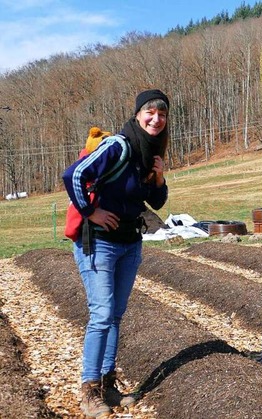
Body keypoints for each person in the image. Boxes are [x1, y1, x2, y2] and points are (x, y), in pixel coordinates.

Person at [62, 89, 170, 417]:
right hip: (99, 242)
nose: (156, 119)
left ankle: (108, 383)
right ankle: (89, 388)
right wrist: (90, 211)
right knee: (102, 313)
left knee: (116, 314)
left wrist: (160, 175)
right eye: (150, 112)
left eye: (162, 114)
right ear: (138, 114)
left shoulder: (149, 152)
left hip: (129, 243)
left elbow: (157, 202)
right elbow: (74, 174)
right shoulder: (119, 145)